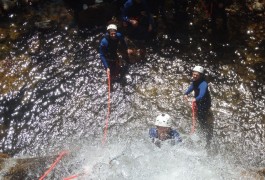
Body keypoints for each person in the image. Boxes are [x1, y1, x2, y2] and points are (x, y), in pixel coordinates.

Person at [183, 65, 213, 148]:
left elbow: (202, 94)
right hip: (200, 106)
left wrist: (195, 99)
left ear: (201, 76)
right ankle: (202, 134)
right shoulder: (195, 81)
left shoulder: (203, 84)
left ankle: (208, 141)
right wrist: (186, 94)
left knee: (206, 125)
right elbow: (191, 87)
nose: (194, 76)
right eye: (194, 74)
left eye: (197, 75)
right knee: (201, 122)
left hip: (205, 108)